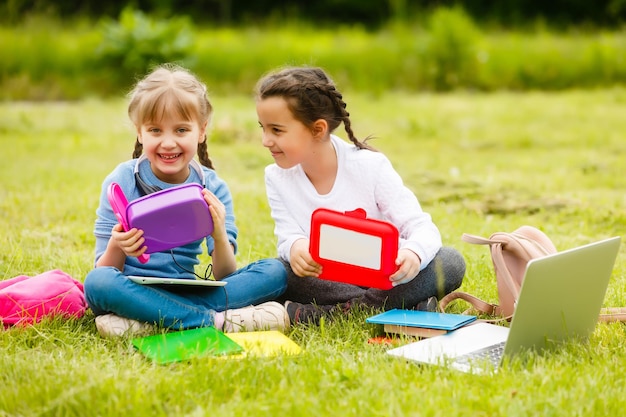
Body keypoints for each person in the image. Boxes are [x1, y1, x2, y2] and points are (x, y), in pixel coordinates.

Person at [84, 64, 289, 337]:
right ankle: (214, 321)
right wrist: (118, 245)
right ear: (140, 132)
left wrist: (218, 233)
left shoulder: (212, 186)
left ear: (201, 131)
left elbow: (224, 274)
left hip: (187, 290)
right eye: (156, 131)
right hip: (134, 288)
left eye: (181, 130)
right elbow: (106, 270)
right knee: (97, 283)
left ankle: (156, 319)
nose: (168, 143)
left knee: (276, 271)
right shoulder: (121, 182)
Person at [255, 66, 466, 324]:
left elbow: (421, 227)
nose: (265, 140)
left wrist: (413, 254)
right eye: (262, 128)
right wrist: (295, 247)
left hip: (386, 278)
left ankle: (331, 315)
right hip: (328, 280)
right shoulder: (276, 177)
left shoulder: (369, 166)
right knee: (278, 273)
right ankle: (404, 308)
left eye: (276, 130)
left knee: (450, 262)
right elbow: (288, 236)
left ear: (318, 130)